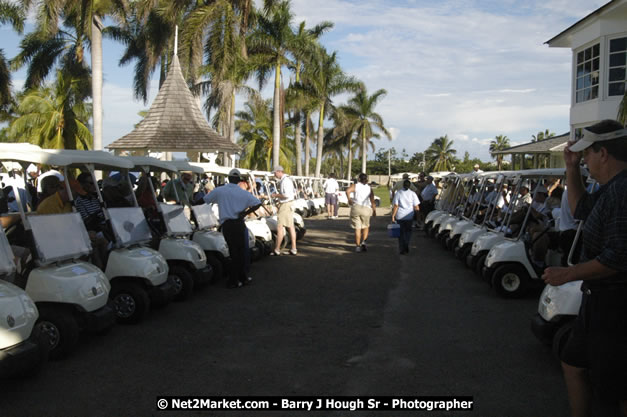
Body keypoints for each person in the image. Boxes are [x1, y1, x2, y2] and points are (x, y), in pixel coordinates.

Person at [542, 120, 627, 417]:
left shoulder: (622, 192)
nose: (585, 161)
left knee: (617, 386)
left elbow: (618, 258)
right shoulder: (609, 188)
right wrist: (571, 167)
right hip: (598, 299)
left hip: (616, 304)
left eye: (587, 155)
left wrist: (568, 274)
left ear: (603, 153)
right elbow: (581, 210)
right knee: (573, 362)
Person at [203, 169, 261, 288]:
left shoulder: (220, 190)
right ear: (239, 180)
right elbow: (258, 203)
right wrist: (245, 213)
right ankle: (242, 277)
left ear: (228, 179)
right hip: (239, 223)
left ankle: (234, 280)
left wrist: (191, 203)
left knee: (233, 252)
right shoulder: (243, 192)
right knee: (241, 252)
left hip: (228, 225)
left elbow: (204, 200)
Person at [271, 165, 298, 256]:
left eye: (275, 173)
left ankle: (277, 249)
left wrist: (276, 195)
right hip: (289, 204)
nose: (274, 175)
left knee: (280, 227)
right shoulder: (287, 180)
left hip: (285, 205)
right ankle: (293, 248)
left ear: (279, 171)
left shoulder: (284, 181)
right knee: (290, 226)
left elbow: (285, 195)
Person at [346, 173, 376, 252]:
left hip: (356, 207)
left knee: (357, 228)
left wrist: (349, 199)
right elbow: (372, 200)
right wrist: (374, 210)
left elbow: (347, 191)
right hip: (366, 208)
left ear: (359, 179)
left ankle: (357, 246)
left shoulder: (355, 185)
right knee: (366, 226)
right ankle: (364, 242)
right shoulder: (369, 188)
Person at [391, 179, 421, 254]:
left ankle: (402, 248)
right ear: (410, 186)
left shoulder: (399, 193)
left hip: (400, 216)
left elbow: (396, 205)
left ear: (403, 185)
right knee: (408, 232)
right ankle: (406, 243)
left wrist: (393, 215)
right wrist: (418, 218)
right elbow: (416, 207)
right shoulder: (412, 194)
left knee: (401, 233)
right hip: (409, 216)